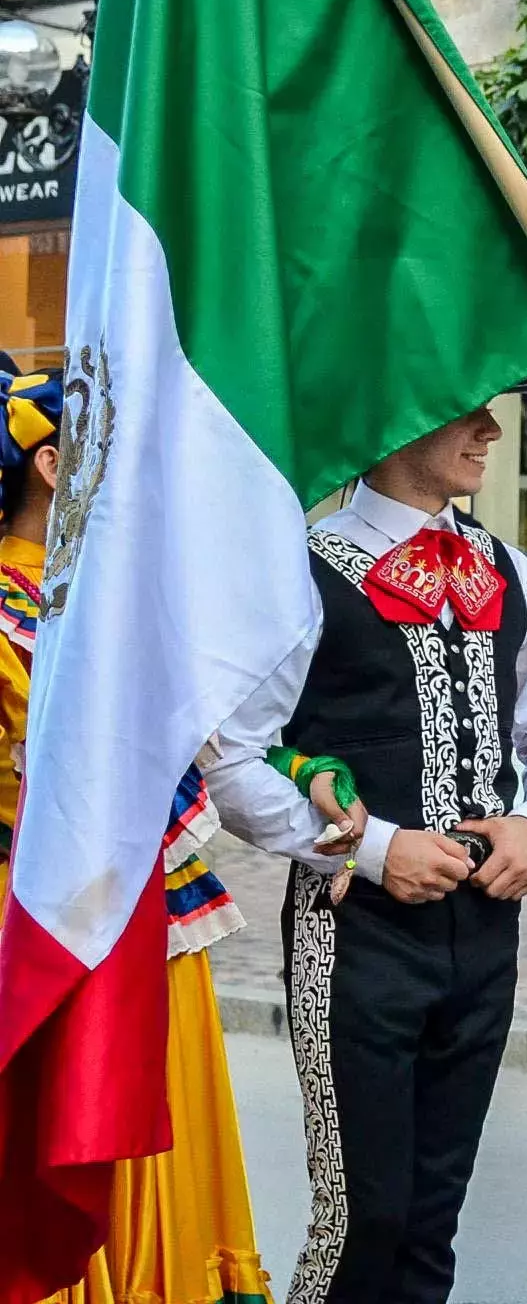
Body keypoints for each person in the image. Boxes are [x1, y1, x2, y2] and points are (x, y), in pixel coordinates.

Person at [203, 396, 527, 1304]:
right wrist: (371, 849)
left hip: (486, 933)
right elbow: (227, 753)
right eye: (465, 411)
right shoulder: (300, 568)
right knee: (362, 1218)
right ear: (395, 414)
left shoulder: (508, 568)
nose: (492, 433)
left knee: (431, 1220)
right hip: (356, 935)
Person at [0, 369, 275, 1304]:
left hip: (144, 906)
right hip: (47, 910)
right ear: (50, 464)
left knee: (160, 1098)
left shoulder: (111, 598)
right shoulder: (14, 605)